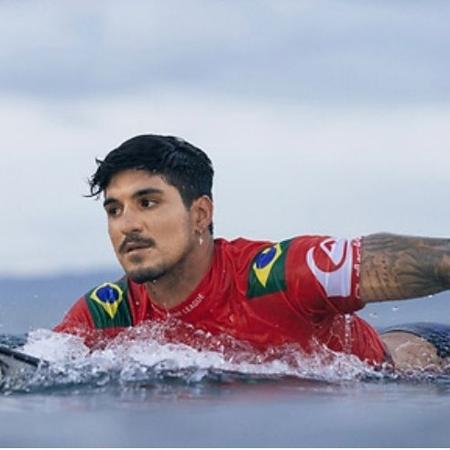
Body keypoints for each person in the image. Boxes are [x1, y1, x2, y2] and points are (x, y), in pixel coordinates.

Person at [54, 134, 450, 370]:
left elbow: (408, 261)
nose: (127, 224)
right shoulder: (107, 313)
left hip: (418, 364)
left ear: (201, 214)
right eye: (114, 209)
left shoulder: (275, 275)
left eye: (148, 202)